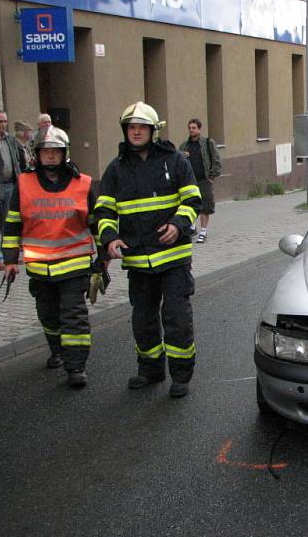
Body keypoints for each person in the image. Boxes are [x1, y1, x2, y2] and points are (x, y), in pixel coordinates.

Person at [95, 102, 201, 398]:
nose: (136, 131)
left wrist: (178, 226)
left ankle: (180, 375)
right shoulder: (116, 169)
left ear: (153, 131)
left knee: (177, 318)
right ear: (125, 131)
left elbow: (193, 200)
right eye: (131, 127)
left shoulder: (174, 160)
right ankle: (150, 369)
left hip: (174, 259)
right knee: (143, 320)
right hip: (138, 260)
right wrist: (109, 239)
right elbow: (103, 211)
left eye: (142, 127)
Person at [2, 127, 101, 388]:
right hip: (39, 267)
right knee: (48, 315)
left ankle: (76, 366)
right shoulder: (23, 183)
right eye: (45, 151)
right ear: (37, 154)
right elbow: (12, 224)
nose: (50, 156)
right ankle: (57, 350)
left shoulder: (84, 183)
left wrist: (103, 259)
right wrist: (10, 260)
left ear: (64, 154)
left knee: (74, 316)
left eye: (55, 151)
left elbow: (97, 224)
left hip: (74, 266)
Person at [179, 119, 221, 243]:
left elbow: (216, 159)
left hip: (204, 180)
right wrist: (182, 155)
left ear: (199, 129)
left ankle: (203, 231)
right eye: (189, 128)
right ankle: (192, 227)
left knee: (205, 206)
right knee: (190, 204)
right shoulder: (184, 146)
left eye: (193, 128)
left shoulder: (207, 143)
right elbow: (177, 162)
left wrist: (212, 176)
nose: (191, 130)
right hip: (190, 181)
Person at [0, 109, 22, 270]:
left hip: (11, 184)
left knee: (9, 221)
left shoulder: (10, 140)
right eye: (0, 121)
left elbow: (17, 161)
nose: (3, 125)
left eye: (5, 121)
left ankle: (10, 255)